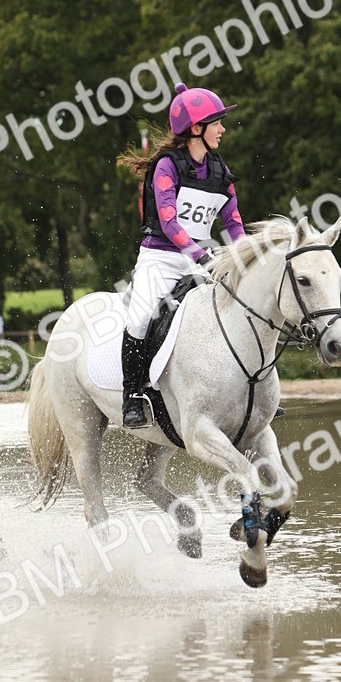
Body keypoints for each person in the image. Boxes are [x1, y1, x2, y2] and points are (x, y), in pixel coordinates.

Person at [116, 82, 246, 429]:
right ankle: (133, 396)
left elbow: (233, 222)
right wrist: (202, 257)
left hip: (202, 257)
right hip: (160, 258)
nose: (222, 128)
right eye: (216, 122)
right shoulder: (166, 167)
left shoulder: (220, 171)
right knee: (142, 317)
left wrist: (244, 257)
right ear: (196, 128)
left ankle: (250, 390)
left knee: (239, 307)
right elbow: (170, 223)